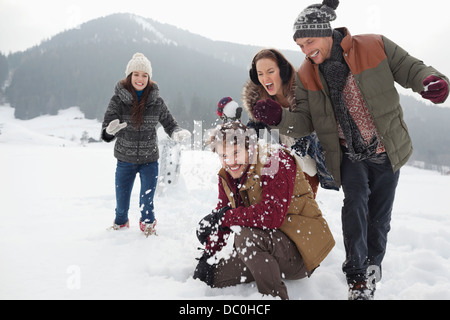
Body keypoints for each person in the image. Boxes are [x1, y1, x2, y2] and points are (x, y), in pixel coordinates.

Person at [251, 0, 449, 299]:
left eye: (309, 42)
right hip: (347, 154)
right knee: (354, 205)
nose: (305, 51)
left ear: (326, 33)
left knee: (379, 217)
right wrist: (281, 119)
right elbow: (304, 120)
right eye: (300, 45)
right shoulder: (306, 73)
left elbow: (412, 69)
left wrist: (432, 82)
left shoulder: (375, 46)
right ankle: (357, 277)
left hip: (387, 150)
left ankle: (373, 266)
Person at [193, 121, 335, 300]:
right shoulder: (227, 175)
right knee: (213, 275)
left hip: (300, 251)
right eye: (223, 156)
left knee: (245, 236)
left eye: (236, 153)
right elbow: (224, 216)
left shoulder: (275, 160)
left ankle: (274, 297)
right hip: (265, 247)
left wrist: (224, 218)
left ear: (249, 147)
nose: (230, 162)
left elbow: (271, 215)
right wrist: (209, 252)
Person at [101, 52, 191, 237]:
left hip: (149, 160)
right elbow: (106, 131)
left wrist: (176, 132)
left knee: (147, 199)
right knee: (122, 200)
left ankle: (148, 224)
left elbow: (169, 123)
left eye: (144, 75)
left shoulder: (156, 101)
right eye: (136, 74)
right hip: (124, 160)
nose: (140, 79)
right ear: (129, 76)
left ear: (149, 78)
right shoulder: (117, 100)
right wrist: (110, 130)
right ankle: (120, 224)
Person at [243, 48, 337, 196]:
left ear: (282, 71)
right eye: (260, 74)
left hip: (307, 165)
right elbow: (251, 134)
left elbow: (313, 131)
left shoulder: (303, 94)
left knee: (300, 212)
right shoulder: (259, 101)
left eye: (270, 71)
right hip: (275, 166)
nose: (265, 78)